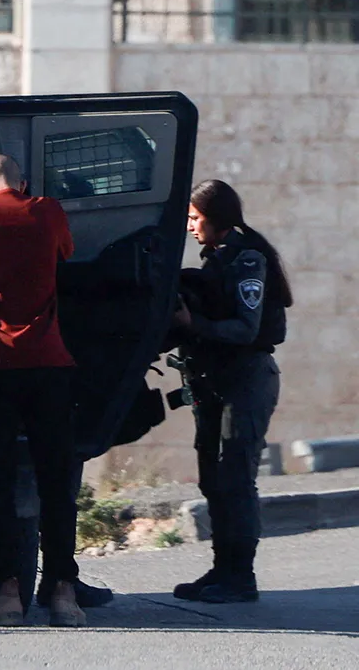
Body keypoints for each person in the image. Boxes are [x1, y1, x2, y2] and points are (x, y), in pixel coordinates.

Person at [0, 153, 85, 627]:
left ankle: (7, 593)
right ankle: (64, 591)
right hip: (49, 365)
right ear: (23, 184)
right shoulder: (48, 211)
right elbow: (66, 251)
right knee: (56, 482)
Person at [169, 179, 290, 604]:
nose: (190, 226)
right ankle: (223, 568)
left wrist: (192, 326)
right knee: (214, 479)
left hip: (247, 379)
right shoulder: (218, 260)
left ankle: (241, 577)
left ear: (216, 218)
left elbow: (245, 328)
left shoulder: (247, 261)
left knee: (236, 479)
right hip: (216, 381)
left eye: (195, 217)